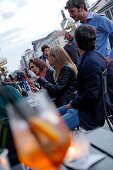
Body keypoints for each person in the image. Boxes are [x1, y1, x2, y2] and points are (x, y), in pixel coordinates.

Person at [58, 25, 108, 131]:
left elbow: (91, 94)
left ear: (77, 43)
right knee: (54, 114)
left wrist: (74, 103)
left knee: (53, 129)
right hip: (89, 105)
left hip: (90, 110)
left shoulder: (90, 61)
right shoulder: (95, 56)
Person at [65, 0, 113, 104]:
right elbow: (84, 47)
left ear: (81, 7)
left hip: (106, 67)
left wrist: (110, 56)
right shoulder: (81, 26)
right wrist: (73, 40)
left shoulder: (99, 19)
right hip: (95, 68)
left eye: (72, 11)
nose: (71, 15)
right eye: (69, 13)